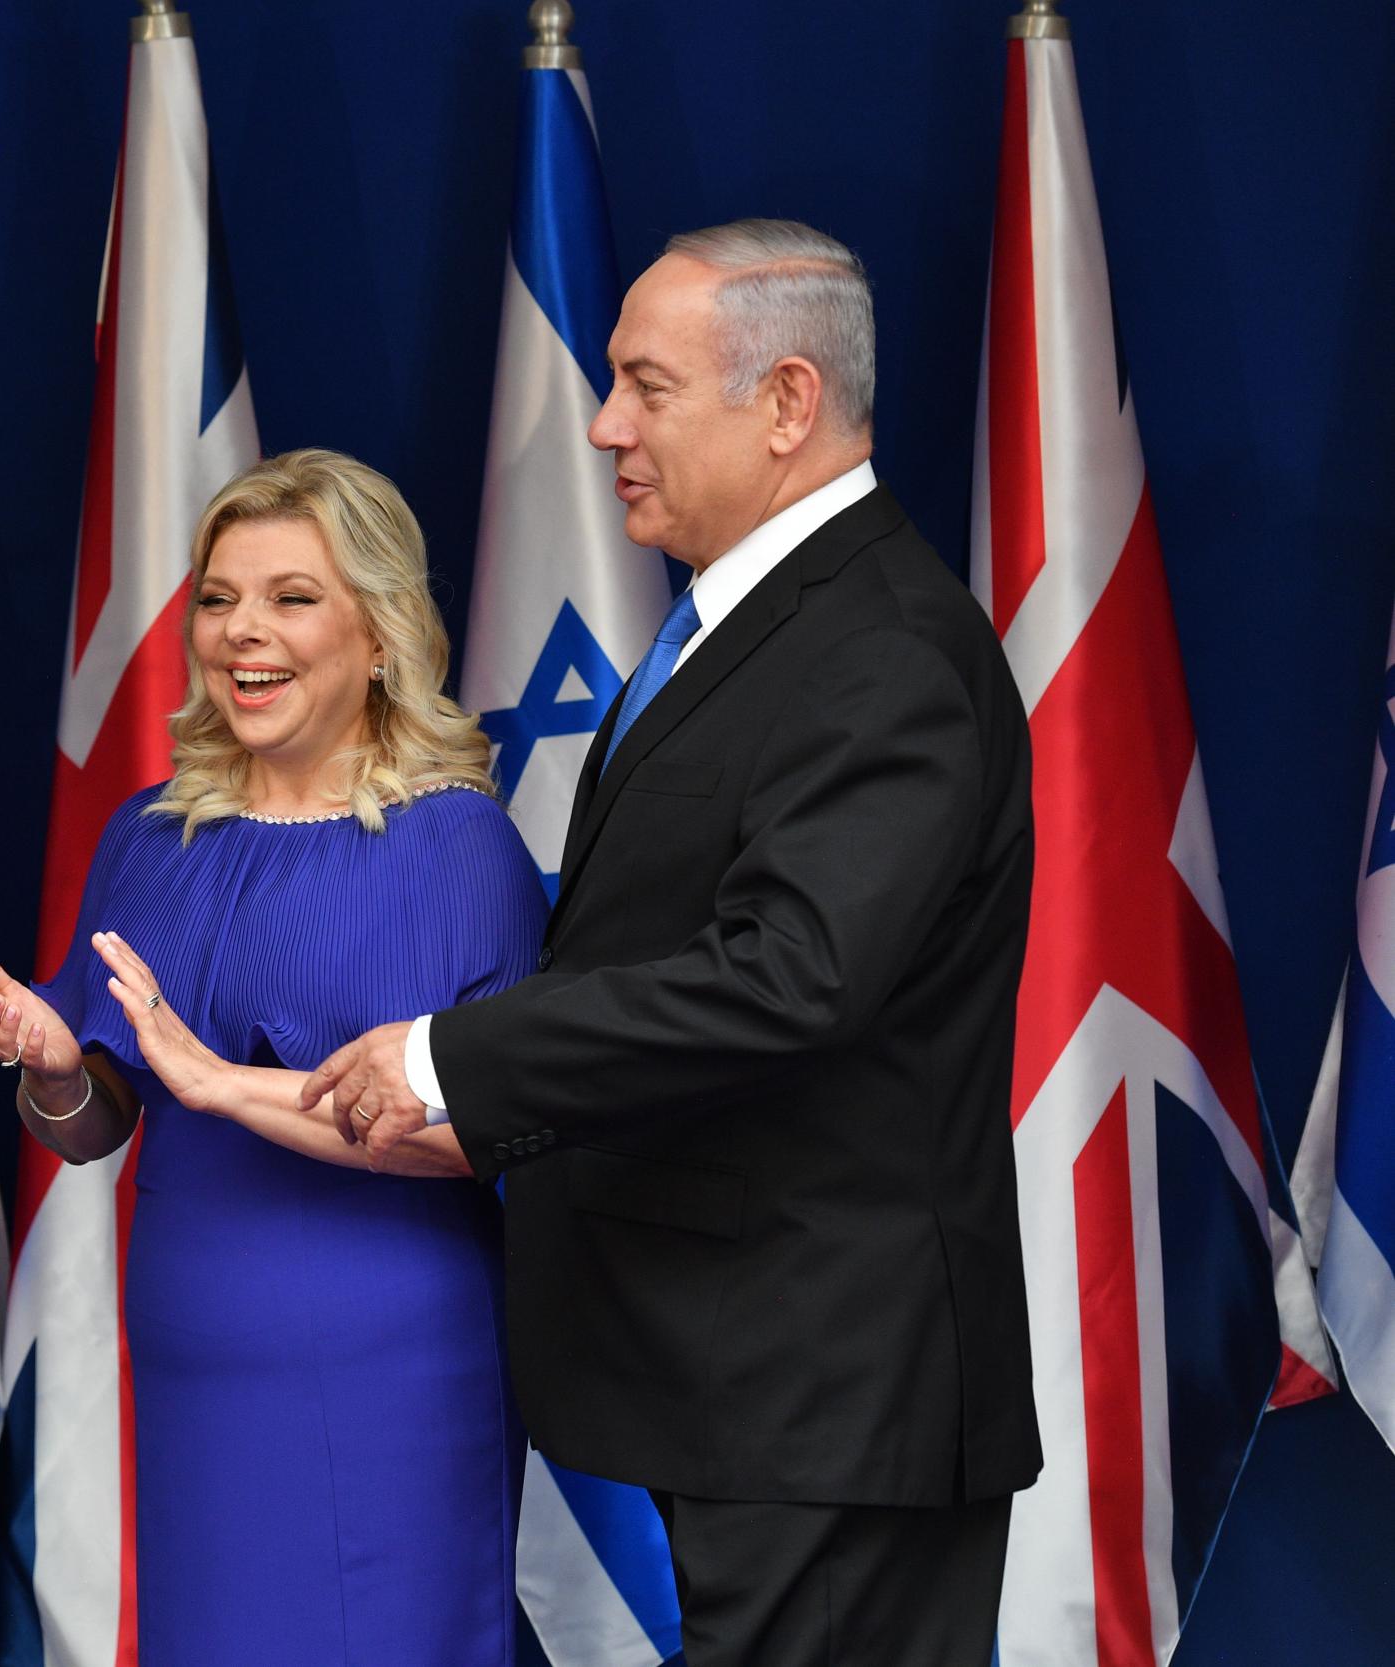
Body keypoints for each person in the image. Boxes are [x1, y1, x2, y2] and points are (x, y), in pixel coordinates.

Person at [309, 220, 1042, 1666]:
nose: (603, 425)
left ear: (784, 402)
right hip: (740, 1382)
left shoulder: (883, 646)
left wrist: (456, 1059)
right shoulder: (759, 625)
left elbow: (792, 975)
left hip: (825, 1398)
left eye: (645, 385)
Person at [0, 449, 548, 1665]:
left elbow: (477, 1135)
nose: (241, 632)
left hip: (392, 1355)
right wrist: (58, 1067)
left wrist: (220, 1084)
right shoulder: (151, 834)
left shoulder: (460, 846)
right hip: (194, 1349)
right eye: (219, 598)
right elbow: (96, 1122)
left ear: (378, 633)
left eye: (290, 596)